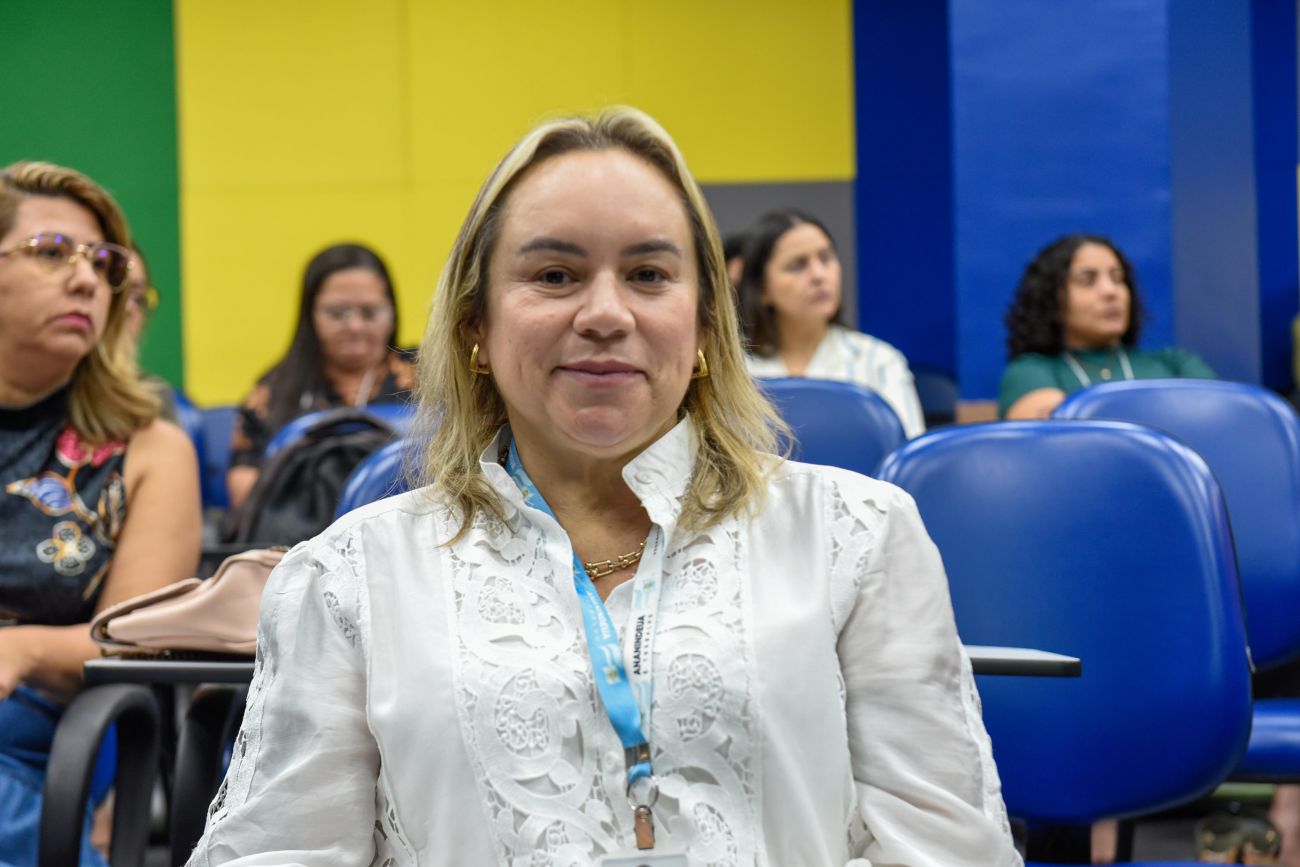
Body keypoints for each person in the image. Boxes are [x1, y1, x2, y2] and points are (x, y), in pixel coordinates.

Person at [186, 107, 1020, 866]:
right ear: (476, 326)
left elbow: (947, 847)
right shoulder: (352, 578)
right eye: (554, 275)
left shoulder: (856, 536)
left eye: (649, 274)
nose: (606, 313)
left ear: (705, 324)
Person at [0, 161, 202, 865]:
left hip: (38, 738)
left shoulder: (150, 450)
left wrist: (23, 649)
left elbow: (133, 642)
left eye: (102, 263)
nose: (86, 278)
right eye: (52, 252)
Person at [225, 242, 414, 510]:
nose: (355, 326)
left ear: (392, 313)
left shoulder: (428, 377)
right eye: (338, 313)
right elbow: (244, 491)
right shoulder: (275, 391)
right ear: (310, 315)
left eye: (370, 313)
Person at [738, 208, 926, 437]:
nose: (819, 275)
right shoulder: (735, 367)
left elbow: (906, 453)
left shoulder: (879, 362)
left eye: (826, 258)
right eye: (797, 265)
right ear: (762, 290)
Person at [999, 233, 1215, 419]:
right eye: (1087, 280)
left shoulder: (1175, 363)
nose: (1110, 291)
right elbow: (1056, 443)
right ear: (1052, 302)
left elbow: (1218, 420)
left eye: (1118, 278)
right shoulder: (1031, 371)